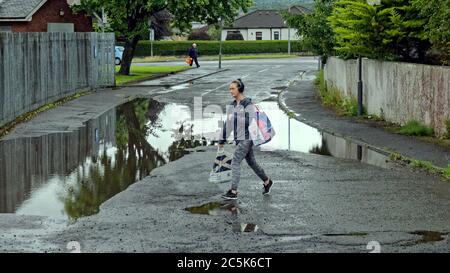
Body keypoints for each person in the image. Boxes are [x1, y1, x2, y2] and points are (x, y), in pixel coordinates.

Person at [218, 79, 273, 200]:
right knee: (251, 162)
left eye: (233, 88)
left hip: (247, 138)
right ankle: (267, 181)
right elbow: (229, 124)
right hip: (239, 138)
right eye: (230, 89)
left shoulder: (247, 104)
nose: (230, 91)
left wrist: (236, 116)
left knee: (235, 162)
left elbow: (250, 120)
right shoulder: (232, 105)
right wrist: (222, 140)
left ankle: (233, 191)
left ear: (239, 89)